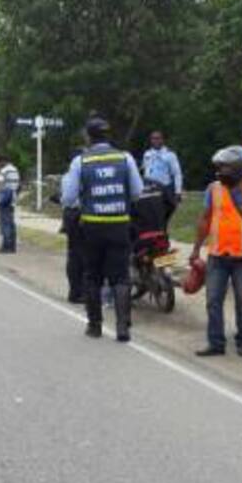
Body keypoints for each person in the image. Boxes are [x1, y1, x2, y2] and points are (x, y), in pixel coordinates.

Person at [61, 116, 144, 341]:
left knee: (93, 276)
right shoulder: (125, 158)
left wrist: (84, 199)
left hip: (92, 227)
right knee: (120, 277)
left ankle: (95, 326)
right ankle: (122, 327)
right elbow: (137, 192)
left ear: (89, 137)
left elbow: (68, 197)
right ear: (108, 135)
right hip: (119, 225)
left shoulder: (81, 162)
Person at [189, 146, 242, 358]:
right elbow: (205, 219)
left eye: (225, 167)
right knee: (213, 301)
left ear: (240, 168)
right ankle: (216, 343)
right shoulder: (213, 189)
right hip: (217, 255)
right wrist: (195, 249)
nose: (220, 172)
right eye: (219, 167)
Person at [141, 130, 183, 222]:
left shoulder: (170, 154)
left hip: (164, 188)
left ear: (162, 140)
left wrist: (178, 191)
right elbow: (145, 170)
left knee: (163, 215)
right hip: (149, 188)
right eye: (153, 139)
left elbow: (177, 173)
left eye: (158, 138)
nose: (155, 141)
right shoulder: (147, 154)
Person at [0, 157, 20, 253]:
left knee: (4, 222)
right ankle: (12, 246)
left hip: (5, 198)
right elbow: (17, 185)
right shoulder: (15, 170)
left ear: (3, 161)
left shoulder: (4, 170)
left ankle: (6, 246)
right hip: (12, 198)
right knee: (11, 222)